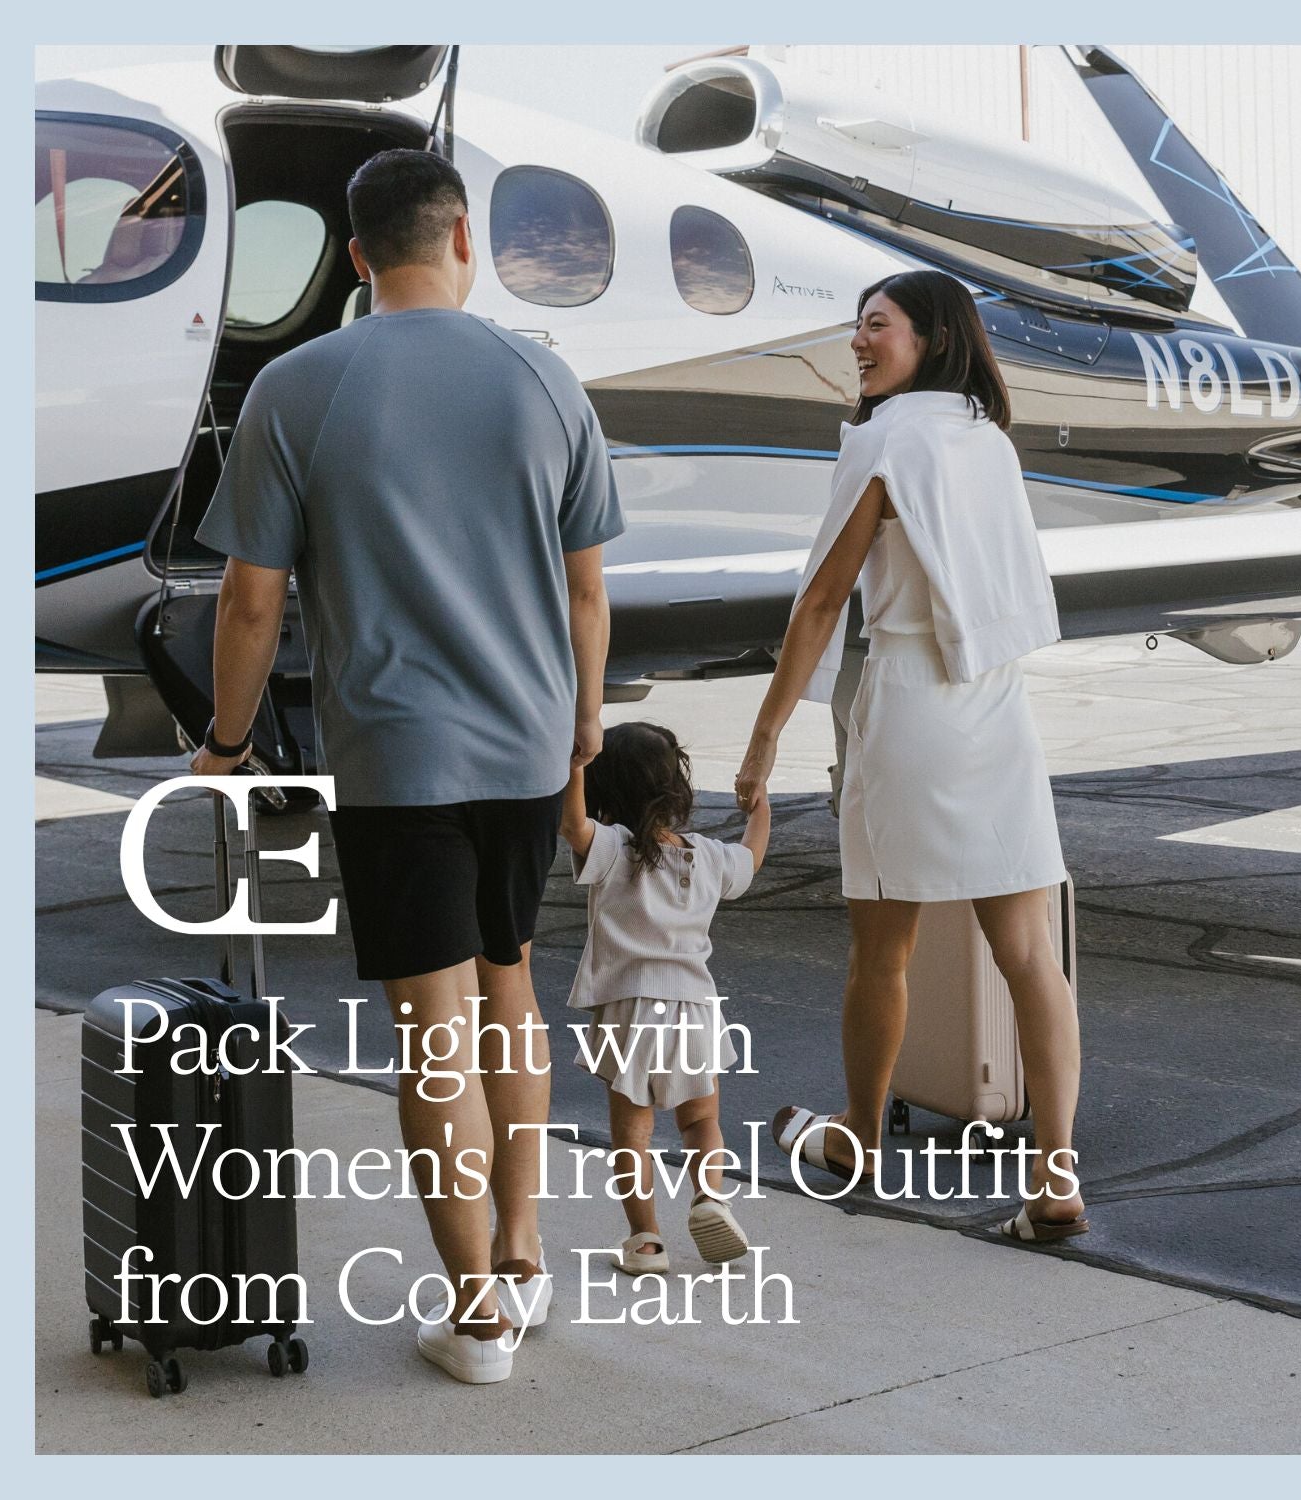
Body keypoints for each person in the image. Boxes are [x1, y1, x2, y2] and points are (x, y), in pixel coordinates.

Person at [189, 149, 625, 1382]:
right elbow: (589, 588)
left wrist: (227, 744)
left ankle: (476, 1312)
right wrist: (583, 726)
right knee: (511, 991)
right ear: (465, 240)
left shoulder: (298, 384)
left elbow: (249, 600)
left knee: (431, 1031)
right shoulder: (546, 379)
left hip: (398, 754)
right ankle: (526, 1252)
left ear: (354, 253)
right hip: (531, 746)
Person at [734, 268, 1088, 1242]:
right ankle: (1056, 1177)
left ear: (929, 336)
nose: (858, 341)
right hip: (998, 707)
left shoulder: (886, 437)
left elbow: (820, 600)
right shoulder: (988, 440)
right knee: (1028, 957)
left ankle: (857, 1135)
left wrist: (764, 737)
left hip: (910, 710)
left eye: (876, 326)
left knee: (882, 955)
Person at [560, 722, 770, 1272]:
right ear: (677, 788)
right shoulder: (706, 856)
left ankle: (646, 1241)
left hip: (629, 1008)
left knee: (634, 1132)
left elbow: (572, 823)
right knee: (702, 1121)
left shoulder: (612, 849)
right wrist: (758, 803)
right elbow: (753, 854)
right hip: (696, 1008)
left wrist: (575, 766)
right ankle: (710, 1197)